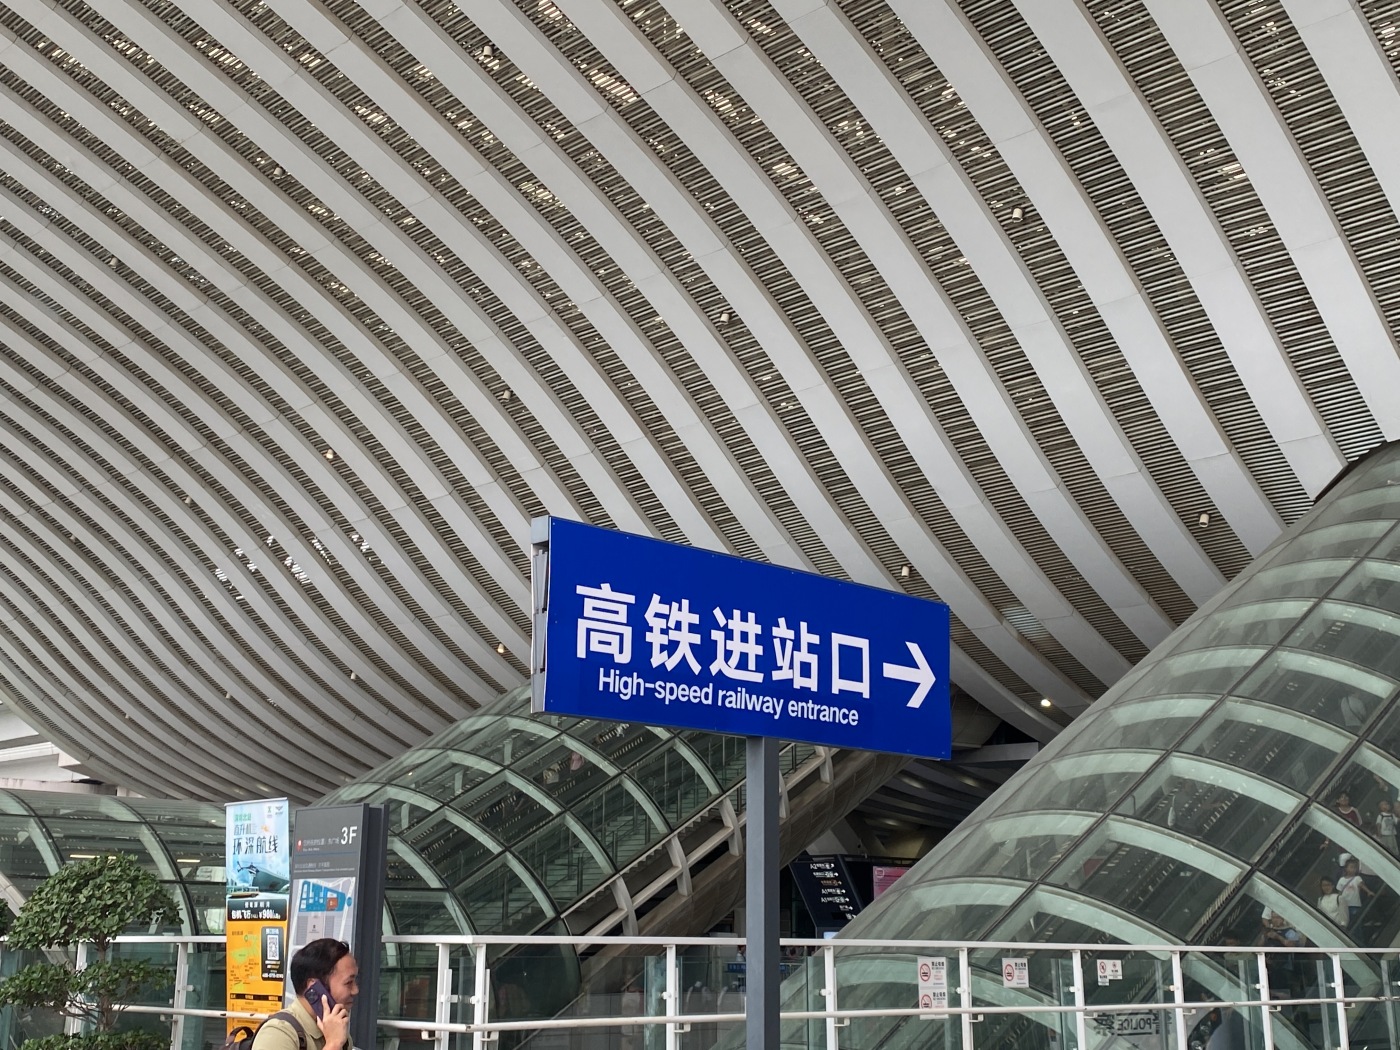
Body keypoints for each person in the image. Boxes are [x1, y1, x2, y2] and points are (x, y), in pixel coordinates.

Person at [252, 938, 358, 1050]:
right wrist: (333, 1045)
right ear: (314, 987)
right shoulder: (278, 1034)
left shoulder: (337, 1032)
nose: (355, 990)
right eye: (348, 983)